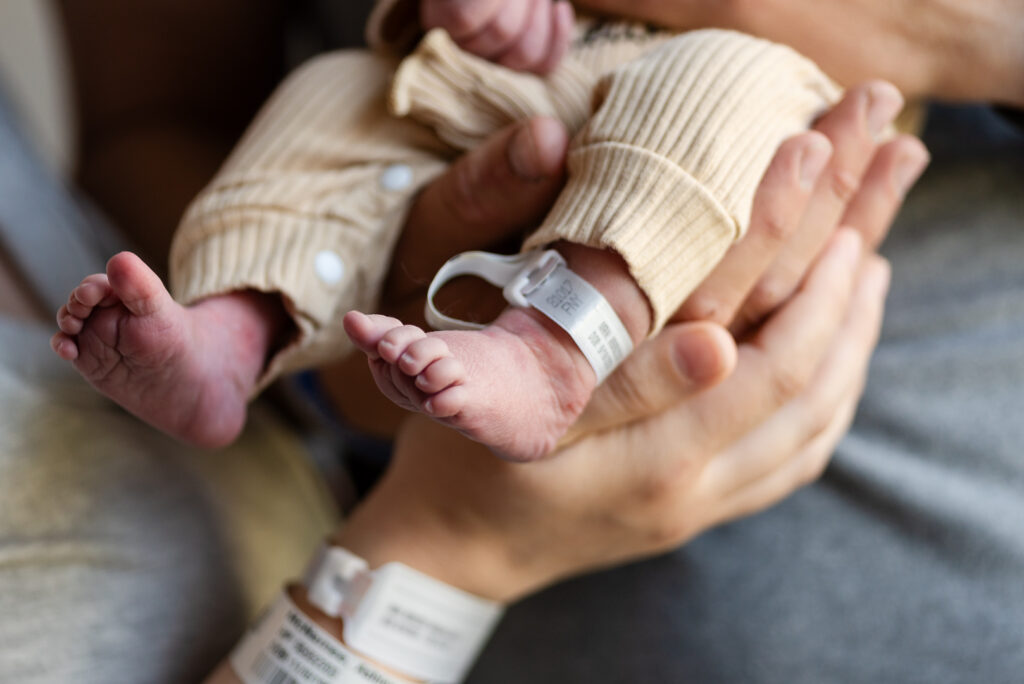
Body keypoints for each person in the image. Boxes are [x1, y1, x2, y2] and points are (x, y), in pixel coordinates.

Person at [51, 0, 862, 461]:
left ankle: (552, 347)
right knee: (340, 95)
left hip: (746, 60)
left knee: (712, 94)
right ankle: (238, 326)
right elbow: (150, 122)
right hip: (521, 67)